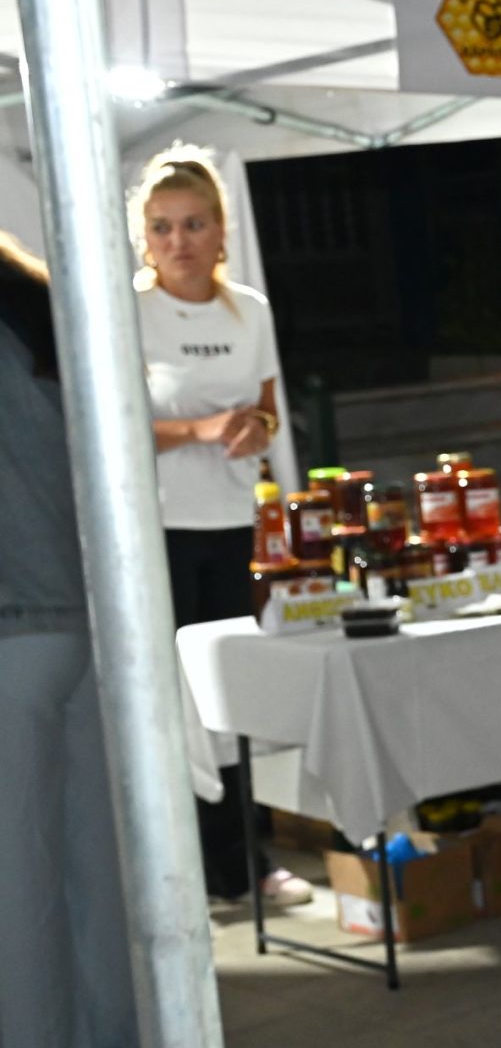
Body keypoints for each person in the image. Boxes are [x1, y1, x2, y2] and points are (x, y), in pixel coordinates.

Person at [0, 233, 149, 1048]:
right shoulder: (46, 304)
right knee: (98, 875)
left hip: (12, 628)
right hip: (92, 622)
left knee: (21, 888)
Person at [131, 146, 311, 909]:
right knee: (169, 704)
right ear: (145, 237)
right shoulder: (129, 311)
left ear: (219, 230)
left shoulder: (251, 310)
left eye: (194, 223)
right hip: (157, 530)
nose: (179, 240)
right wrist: (201, 429)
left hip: (232, 521)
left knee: (227, 692)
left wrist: (252, 429)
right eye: (163, 226)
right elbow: (114, 423)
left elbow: (269, 412)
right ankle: (182, 870)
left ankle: (243, 863)